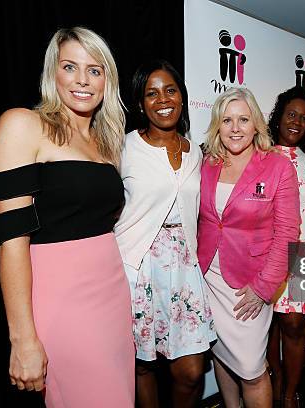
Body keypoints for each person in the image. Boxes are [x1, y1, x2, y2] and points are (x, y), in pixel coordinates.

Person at [0, 27, 134, 407]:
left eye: (94, 70)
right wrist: (22, 339)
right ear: (54, 73)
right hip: (63, 300)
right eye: (70, 66)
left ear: (107, 80)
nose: (82, 80)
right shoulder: (22, 125)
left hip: (112, 296)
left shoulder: (106, 142)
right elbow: (10, 241)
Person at [114, 59, 216, 408]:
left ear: (182, 98)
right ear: (141, 104)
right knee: (142, 367)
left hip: (185, 271)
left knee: (190, 371)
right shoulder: (124, 148)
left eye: (170, 90)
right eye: (151, 93)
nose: (163, 99)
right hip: (138, 268)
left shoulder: (196, 154)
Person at [198, 87, 300, 408]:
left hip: (248, 285)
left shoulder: (279, 167)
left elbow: (288, 233)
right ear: (218, 125)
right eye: (227, 120)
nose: (236, 128)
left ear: (256, 123)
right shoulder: (208, 163)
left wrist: (263, 287)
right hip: (207, 279)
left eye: (243, 119)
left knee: (253, 370)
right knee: (221, 353)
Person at [265, 86, 305, 408]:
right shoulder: (261, 155)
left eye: (304, 118)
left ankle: (290, 394)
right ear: (279, 116)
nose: (297, 122)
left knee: (294, 324)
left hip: (303, 252)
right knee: (271, 323)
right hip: (271, 249)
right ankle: (275, 380)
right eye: (291, 114)